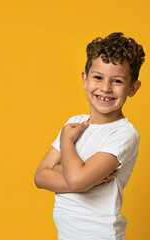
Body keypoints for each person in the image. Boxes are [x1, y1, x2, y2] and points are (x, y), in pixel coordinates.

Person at [34, 32, 145, 240]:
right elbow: (40, 176)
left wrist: (67, 146)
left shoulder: (123, 134)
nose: (105, 88)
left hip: (100, 235)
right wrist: (87, 179)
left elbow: (76, 180)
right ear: (85, 79)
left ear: (132, 88)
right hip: (67, 234)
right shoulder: (74, 122)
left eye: (118, 81)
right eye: (98, 77)